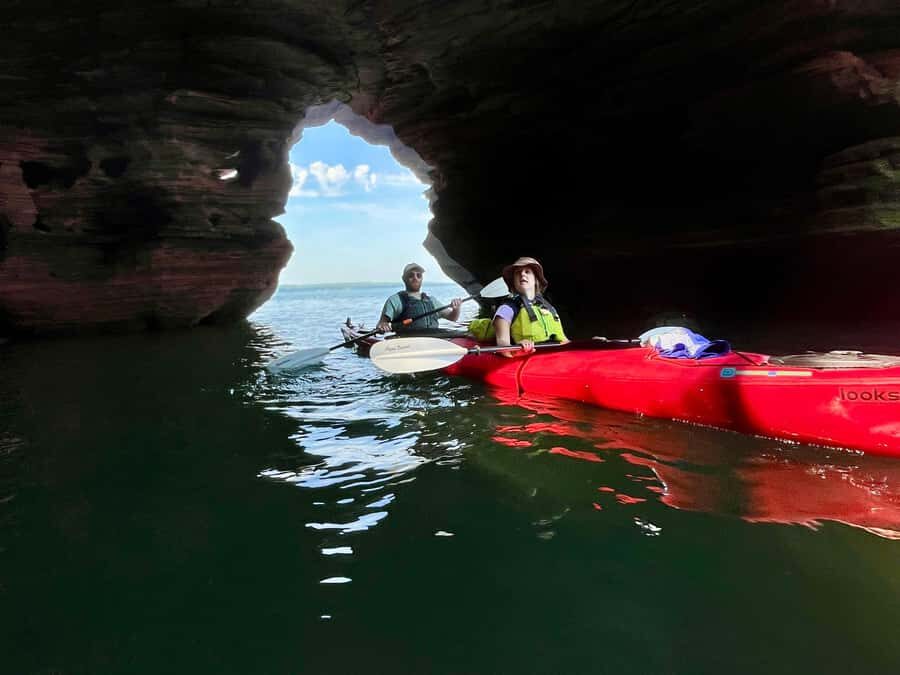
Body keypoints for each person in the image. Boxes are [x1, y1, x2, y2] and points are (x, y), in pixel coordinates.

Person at [492, 256, 568, 354]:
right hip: (526, 358)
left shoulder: (550, 309)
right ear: (513, 282)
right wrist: (517, 347)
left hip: (554, 358)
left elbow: (565, 341)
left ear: (536, 280)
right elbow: (502, 345)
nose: (522, 274)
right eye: (518, 273)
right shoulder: (506, 309)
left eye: (527, 272)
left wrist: (590, 344)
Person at [376, 263, 462, 333]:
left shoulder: (431, 300)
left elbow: (452, 317)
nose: (415, 278)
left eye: (419, 275)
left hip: (434, 342)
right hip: (407, 345)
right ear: (404, 278)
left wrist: (456, 308)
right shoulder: (395, 300)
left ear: (422, 278)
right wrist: (383, 326)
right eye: (411, 275)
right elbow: (381, 323)